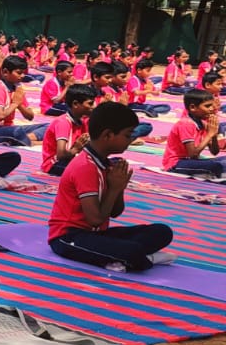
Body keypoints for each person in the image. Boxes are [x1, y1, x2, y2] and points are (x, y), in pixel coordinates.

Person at [49, 102, 176, 272]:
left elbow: (115, 212)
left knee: (162, 231)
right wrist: (114, 188)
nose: (130, 140)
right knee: (132, 250)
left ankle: (119, 258)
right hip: (68, 237)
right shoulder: (85, 167)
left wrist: (119, 187)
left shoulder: (104, 163)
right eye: (127, 135)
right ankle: (142, 260)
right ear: (108, 135)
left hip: (96, 234)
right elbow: (95, 219)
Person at [0, 55, 49, 146]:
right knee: (16, 131)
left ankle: (25, 139)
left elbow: (30, 117)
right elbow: (0, 116)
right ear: (5, 72)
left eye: (23, 73)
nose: (22, 76)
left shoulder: (17, 89)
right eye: (19, 73)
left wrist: (20, 105)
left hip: (9, 128)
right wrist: (15, 104)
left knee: (49, 126)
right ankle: (32, 141)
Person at [163, 89, 224, 177]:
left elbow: (214, 152)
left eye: (212, 105)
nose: (211, 109)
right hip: (176, 163)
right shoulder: (185, 124)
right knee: (216, 166)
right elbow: (193, 154)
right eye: (207, 106)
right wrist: (209, 134)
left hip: (192, 162)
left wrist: (214, 135)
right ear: (193, 107)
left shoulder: (203, 123)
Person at [40, 84, 97, 175]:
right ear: (75, 104)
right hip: (55, 164)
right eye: (90, 103)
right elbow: (61, 155)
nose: (94, 106)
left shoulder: (82, 122)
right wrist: (76, 149)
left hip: (71, 159)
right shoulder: (63, 123)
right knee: (89, 171)